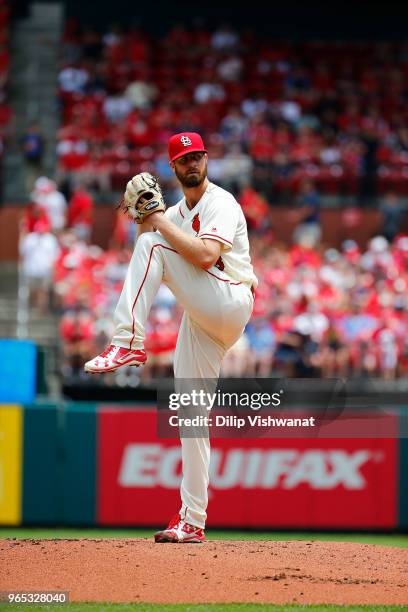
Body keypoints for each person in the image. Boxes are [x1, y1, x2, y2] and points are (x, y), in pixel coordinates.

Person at [84, 132, 257, 543]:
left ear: (206, 159)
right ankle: (192, 520)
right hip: (204, 320)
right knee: (191, 418)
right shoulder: (177, 212)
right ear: (173, 168)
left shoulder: (221, 201)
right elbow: (150, 225)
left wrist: (153, 220)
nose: (192, 163)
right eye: (184, 159)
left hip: (230, 298)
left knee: (153, 245)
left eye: (197, 156)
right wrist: (137, 210)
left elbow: (203, 255)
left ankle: (127, 340)